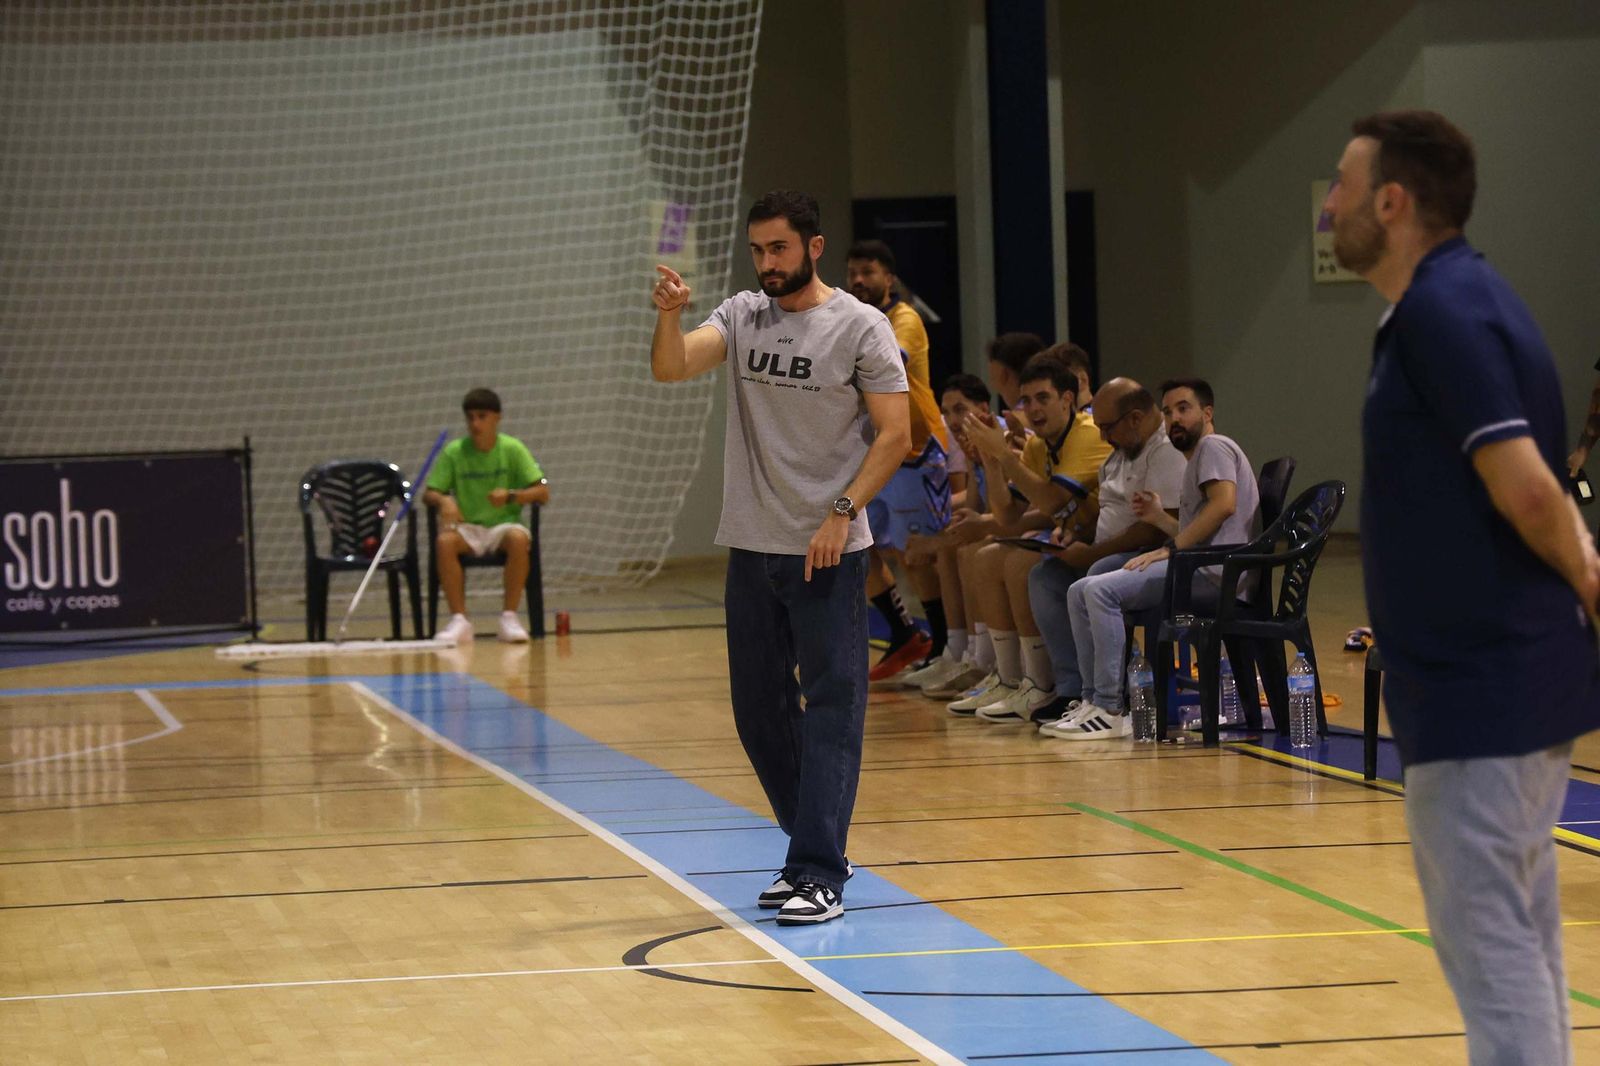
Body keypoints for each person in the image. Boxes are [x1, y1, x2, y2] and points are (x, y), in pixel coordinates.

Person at [1326, 108, 1600, 1064]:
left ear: (1392, 202)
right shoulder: (1455, 301)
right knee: (1517, 936)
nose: (1329, 206)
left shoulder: (1445, 310)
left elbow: (1528, 486)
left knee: (1491, 946)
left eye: (1343, 187)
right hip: (1490, 680)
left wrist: (1592, 583)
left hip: (1485, 682)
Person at [649, 189, 910, 926]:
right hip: (752, 546)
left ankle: (817, 869)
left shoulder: (861, 328)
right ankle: (816, 845)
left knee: (831, 708)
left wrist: (841, 512)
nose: (766, 263)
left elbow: (896, 435)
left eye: (780, 249)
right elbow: (672, 369)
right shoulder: (740, 314)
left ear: (813, 247)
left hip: (829, 549)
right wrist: (669, 314)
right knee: (759, 711)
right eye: (758, 250)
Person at [1044, 379, 1259, 740]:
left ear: (1207, 413)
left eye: (1184, 409)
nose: (1174, 417)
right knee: (1079, 590)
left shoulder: (1214, 447)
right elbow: (1203, 527)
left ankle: (1111, 708)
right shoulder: (1197, 459)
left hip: (1213, 577)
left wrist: (1170, 548)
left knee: (1099, 592)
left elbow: (1224, 505)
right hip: (1200, 569)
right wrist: (1160, 517)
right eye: (1169, 410)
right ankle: (1091, 701)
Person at [946, 348, 1113, 721]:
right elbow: (1007, 514)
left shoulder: (1088, 435)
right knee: (997, 560)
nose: (1034, 408)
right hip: (1077, 542)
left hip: (1113, 544)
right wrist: (990, 461)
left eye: (1043, 398)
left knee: (1024, 566)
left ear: (1068, 399)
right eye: (1027, 400)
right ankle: (1014, 678)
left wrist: (1004, 456)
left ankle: (1043, 682)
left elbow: (1053, 502)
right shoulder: (1039, 444)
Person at [1028, 378, 1186, 726]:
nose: (1102, 436)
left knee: (1096, 578)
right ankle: (1076, 692)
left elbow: (1155, 526)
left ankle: (1112, 701)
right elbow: (1106, 512)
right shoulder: (1121, 451)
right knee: (1045, 577)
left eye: (1107, 427)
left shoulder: (1165, 453)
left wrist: (1092, 553)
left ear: (1134, 418)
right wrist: (1073, 535)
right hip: (1107, 552)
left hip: (1148, 554)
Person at [845, 239, 950, 680]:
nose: (858, 280)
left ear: (889, 277)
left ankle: (944, 648)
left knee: (917, 554)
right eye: (852, 272)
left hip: (917, 449)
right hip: (878, 451)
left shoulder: (903, 319)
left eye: (868, 272)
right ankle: (905, 633)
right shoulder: (854, 320)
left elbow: (886, 361)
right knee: (861, 545)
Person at [424, 388, 549, 645]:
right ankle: (459, 620)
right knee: (444, 542)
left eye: (482, 417)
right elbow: (429, 493)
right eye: (470, 417)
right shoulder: (454, 452)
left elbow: (542, 491)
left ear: (497, 418)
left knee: (517, 538)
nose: (475, 423)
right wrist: (444, 499)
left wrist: (512, 496)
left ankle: (509, 617)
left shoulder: (513, 448)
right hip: (467, 528)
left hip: (504, 525)